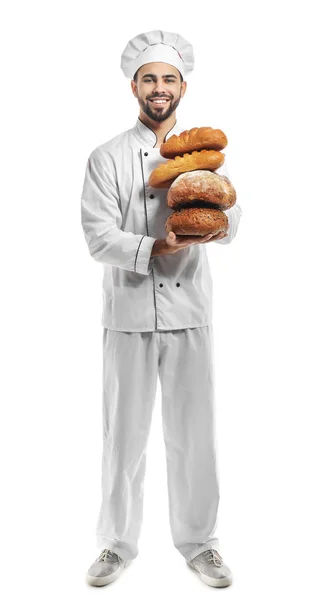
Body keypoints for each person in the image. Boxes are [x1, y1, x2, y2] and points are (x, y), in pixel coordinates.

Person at [81, 29, 242, 589]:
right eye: (149, 78)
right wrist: (156, 247)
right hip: (125, 316)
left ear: (183, 87)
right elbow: (98, 237)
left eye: (168, 79)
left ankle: (200, 543)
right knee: (122, 434)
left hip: (190, 313)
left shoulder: (207, 163)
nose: (159, 88)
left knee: (194, 433)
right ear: (134, 86)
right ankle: (116, 544)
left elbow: (232, 224)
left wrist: (212, 206)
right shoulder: (107, 157)